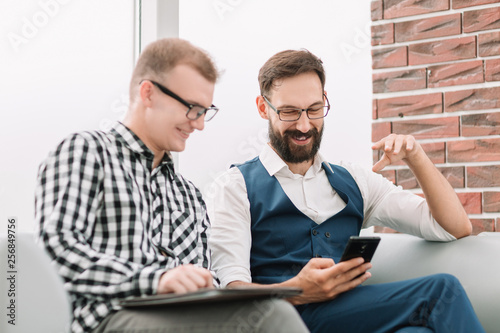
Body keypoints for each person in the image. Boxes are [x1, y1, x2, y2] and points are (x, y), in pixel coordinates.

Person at [35, 38, 309, 333]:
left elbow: (204, 277)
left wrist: (210, 287)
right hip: (107, 318)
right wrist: (156, 281)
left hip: (178, 317)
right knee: (272, 317)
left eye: (205, 111)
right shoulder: (87, 152)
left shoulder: (188, 195)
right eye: (192, 108)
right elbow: (55, 251)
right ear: (148, 93)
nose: (200, 124)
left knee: (260, 312)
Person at [208, 49, 485, 333]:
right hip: (281, 321)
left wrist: (416, 156)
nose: (304, 125)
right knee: (441, 289)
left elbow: (453, 227)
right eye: (289, 111)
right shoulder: (235, 186)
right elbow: (232, 292)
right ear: (263, 107)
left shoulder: (354, 180)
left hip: (349, 318)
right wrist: (296, 290)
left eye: (314, 109)